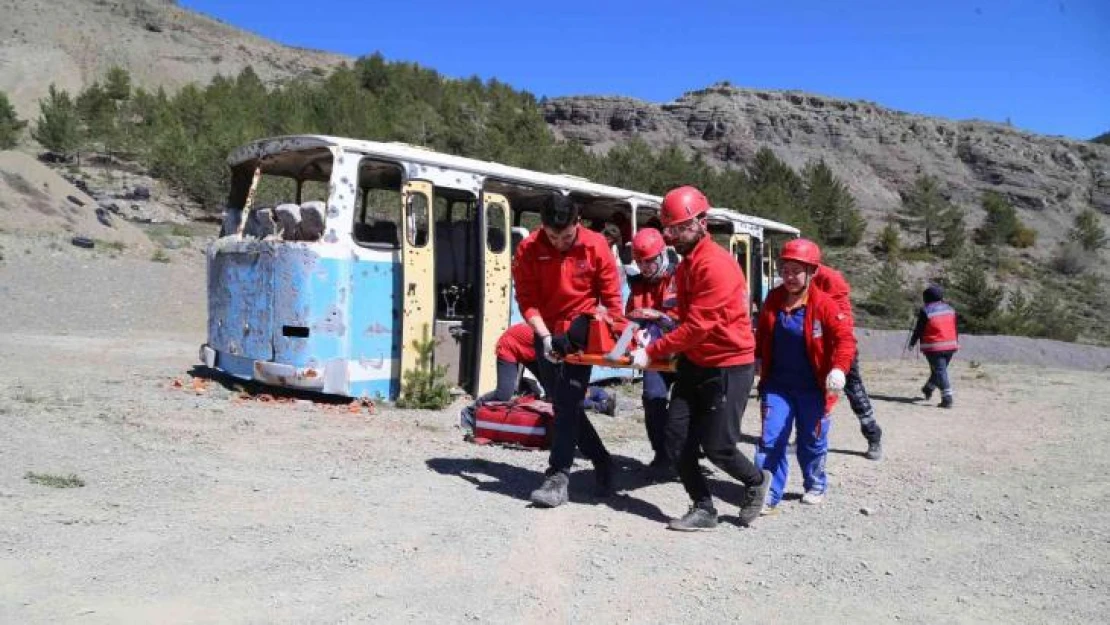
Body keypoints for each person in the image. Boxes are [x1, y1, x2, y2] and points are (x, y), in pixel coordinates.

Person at [630, 186, 771, 531]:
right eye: (671, 228)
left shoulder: (715, 265)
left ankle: (755, 482)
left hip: (728, 364)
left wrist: (651, 351)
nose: (674, 235)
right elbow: (681, 316)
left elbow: (697, 327)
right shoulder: (687, 265)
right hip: (695, 362)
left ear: (701, 222)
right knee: (676, 440)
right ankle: (703, 507)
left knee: (718, 446)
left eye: (681, 227)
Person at [514, 192, 626, 508]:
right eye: (552, 236)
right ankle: (603, 461)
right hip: (546, 333)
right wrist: (546, 337)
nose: (559, 242)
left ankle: (558, 475)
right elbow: (527, 299)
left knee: (567, 401)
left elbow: (612, 303)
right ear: (542, 228)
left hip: (582, 334)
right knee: (564, 404)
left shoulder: (595, 245)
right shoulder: (529, 248)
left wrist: (604, 332)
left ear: (577, 223)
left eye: (565, 236)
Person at [754, 238, 856, 513]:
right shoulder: (774, 298)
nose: (789, 276)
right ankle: (767, 493)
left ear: (811, 272)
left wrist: (838, 369)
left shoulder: (824, 305)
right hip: (778, 385)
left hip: (813, 387)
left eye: (796, 271)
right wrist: (758, 357)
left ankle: (815, 483)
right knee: (771, 438)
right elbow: (763, 332)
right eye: (785, 270)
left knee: (810, 441)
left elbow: (846, 340)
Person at [810, 261, 884, 460]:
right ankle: (807, 437)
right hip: (815, 346)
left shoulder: (828, 278)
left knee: (855, 392)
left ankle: (873, 437)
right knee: (810, 395)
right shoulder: (802, 278)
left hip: (839, 348)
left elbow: (843, 323)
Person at [626, 227, 679, 476]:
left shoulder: (682, 277)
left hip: (685, 353)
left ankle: (686, 452)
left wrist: (662, 317)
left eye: (650, 261)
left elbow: (693, 319)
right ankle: (663, 455)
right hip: (654, 355)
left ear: (662, 255)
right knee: (652, 399)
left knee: (688, 409)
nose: (645, 267)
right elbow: (628, 319)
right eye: (640, 262)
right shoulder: (637, 285)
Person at [908, 285, 959, 408]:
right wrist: (956, 341)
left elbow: (919, 329)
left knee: (940, 371)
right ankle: (928, 388)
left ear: (926, 297)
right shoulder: (950, 309)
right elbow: (955, 327)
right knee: (939, 371)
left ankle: (947, 398)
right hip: (951, 345)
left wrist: (912, 342)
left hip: (934, 346)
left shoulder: (926, 311)